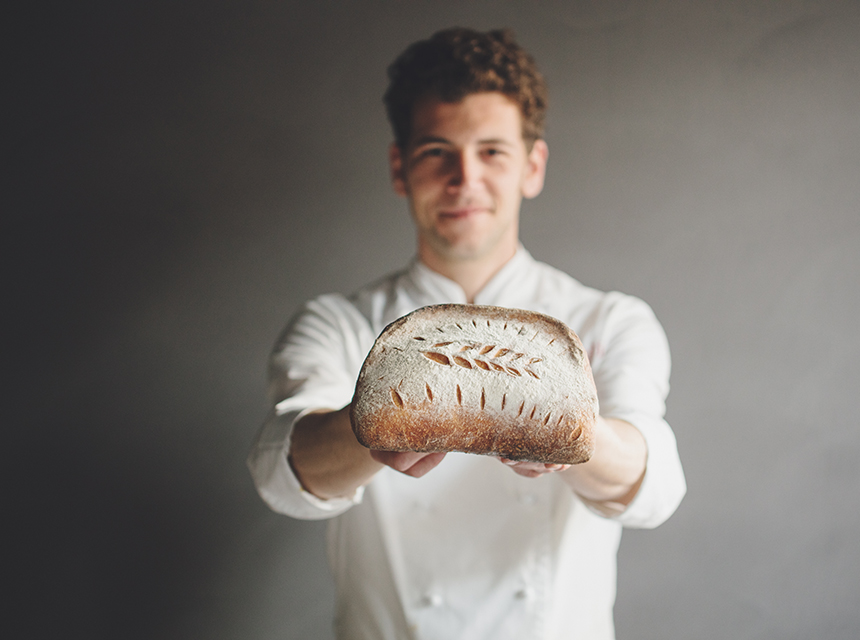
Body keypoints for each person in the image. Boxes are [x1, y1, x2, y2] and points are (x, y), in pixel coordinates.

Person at [248, 27, 686, 639]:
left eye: (492, 152)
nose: (464, 178)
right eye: (436, 152)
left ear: (532, 167)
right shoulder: (339, 324)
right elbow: (281, 475)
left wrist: (572, 431)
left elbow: (656, 485)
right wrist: (373, 427)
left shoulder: (607, 321)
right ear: (400, 168)